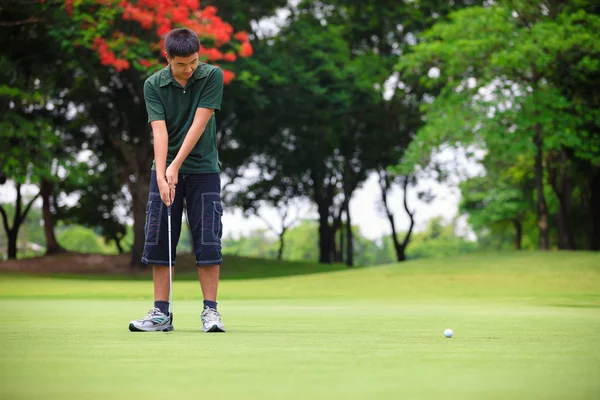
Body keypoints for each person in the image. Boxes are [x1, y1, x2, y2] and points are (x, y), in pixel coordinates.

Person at [129, 28, 225, 333]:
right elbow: (159, 130)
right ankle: (161, 314)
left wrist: (175, 164)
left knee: (208, 240)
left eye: (194, 62)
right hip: (166, 169)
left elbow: (200, 122)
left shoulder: (212, 76)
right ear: (167, 57)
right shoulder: (153, 85)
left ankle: (210, 312)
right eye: (181, 64)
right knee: (159, 240)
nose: (189, 69)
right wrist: (161, 173)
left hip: (204, 170)